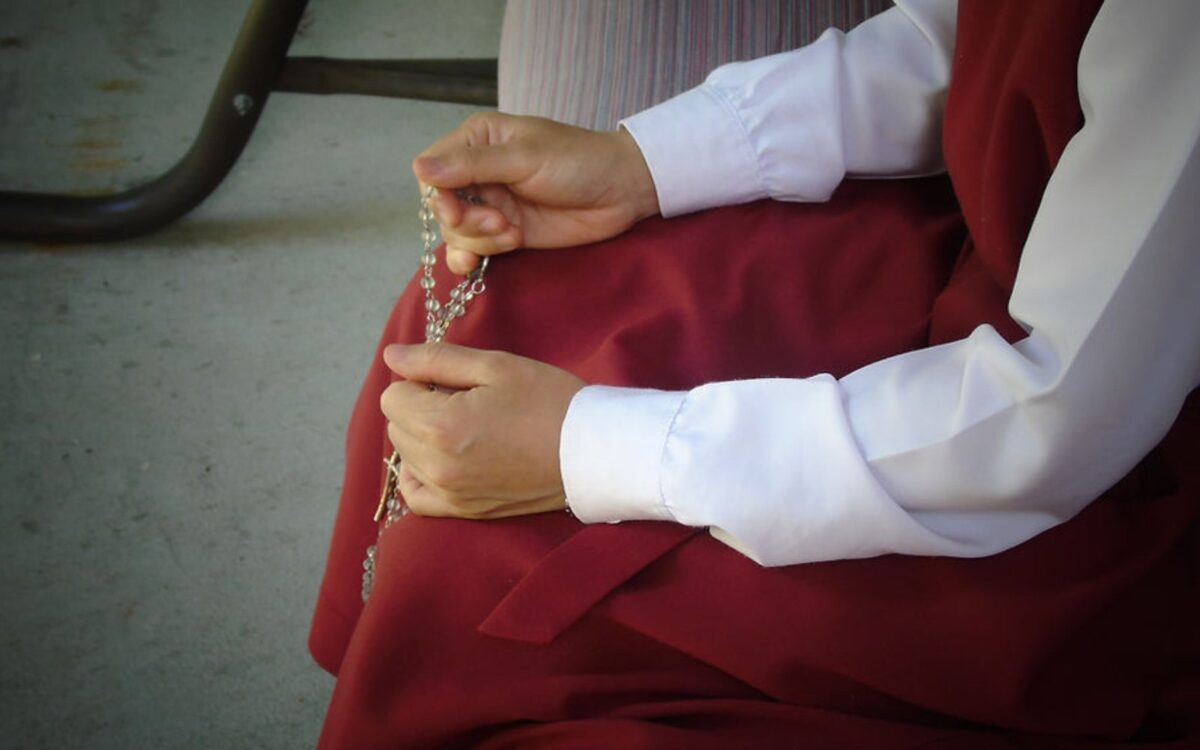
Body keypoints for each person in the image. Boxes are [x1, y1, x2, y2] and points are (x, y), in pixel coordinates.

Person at [312, 1, 1200, 746]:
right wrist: (639, 164)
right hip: (978, 250)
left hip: (1068, 483)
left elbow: (1055, 416)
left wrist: (587, 447)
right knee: (500, 295)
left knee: (465, 579)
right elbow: (953, 39)